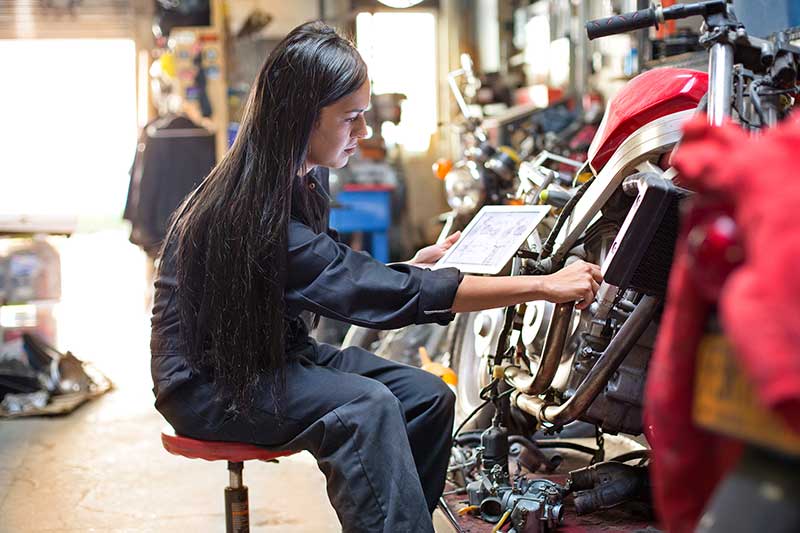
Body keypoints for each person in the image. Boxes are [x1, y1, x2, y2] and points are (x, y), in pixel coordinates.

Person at [150, 21, 602, 533]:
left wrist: (417, 264)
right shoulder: (253, 213)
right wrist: (543, 285)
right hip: (212, 384)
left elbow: (331, 273)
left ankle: (403, 524)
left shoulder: (298, 178)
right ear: (301, 118)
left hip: (273, 352)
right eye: (352, 118)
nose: (363, 133)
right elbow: (369, 293)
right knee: (367, 407)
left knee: (428, 398)